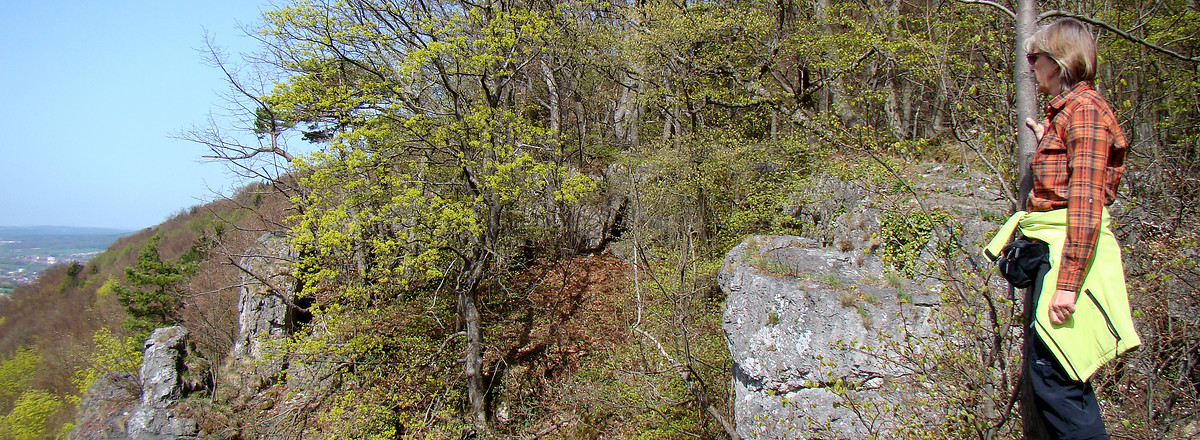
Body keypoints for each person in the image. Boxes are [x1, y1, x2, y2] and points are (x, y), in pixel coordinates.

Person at [983, 17, 1140, 440]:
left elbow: (1086, 204)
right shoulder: (1070, 113)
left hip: (1073, 258)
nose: (1030, 66)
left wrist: (1067, 285)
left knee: (1057, 378)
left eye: (1035, 57)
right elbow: (1070, 175)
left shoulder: (1084, 113)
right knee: (1056, 373)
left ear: (1059, 60)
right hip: (1061, 249)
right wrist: (1045, 136)